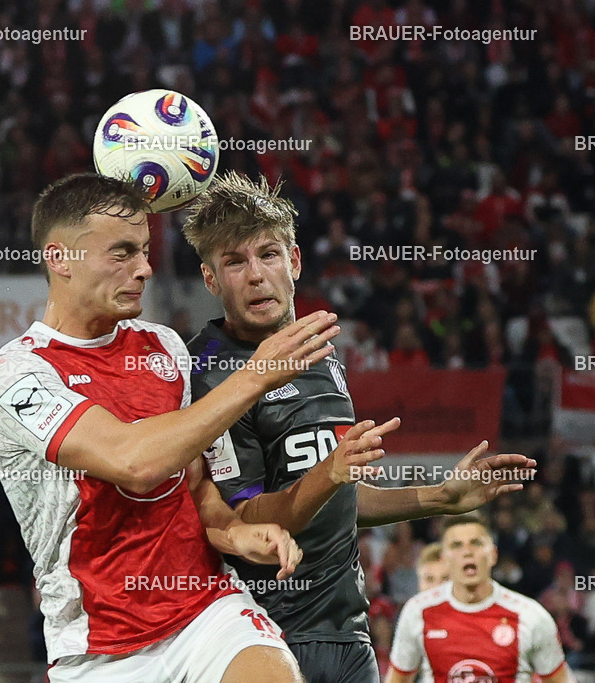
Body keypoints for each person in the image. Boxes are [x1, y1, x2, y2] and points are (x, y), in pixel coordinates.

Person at [0, 173, 341, 682]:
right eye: (122, 253)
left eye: (145, 251)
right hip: (99, 647)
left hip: (206, 611)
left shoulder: (163, 347)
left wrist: (236, 534)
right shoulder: (15, 376)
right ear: (59, 258)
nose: (144, 269)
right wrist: (256, 374)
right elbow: (136, 464)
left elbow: (192, 486)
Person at [183, 171, 534, 683]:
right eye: (234, 262)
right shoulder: (207, 373)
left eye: (268, 254)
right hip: (259, 636)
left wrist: (439, 497)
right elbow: (244, 519)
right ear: (211, 280)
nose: (256, 275)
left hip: (348, 634)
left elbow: (337, 495)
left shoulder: (319, 353)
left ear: (295, 261)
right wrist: (330, 473)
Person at [385, 514, 570, 683]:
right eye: (456, 545)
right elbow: (397, 679)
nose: (467, 552)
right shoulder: (418, 611)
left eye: (476, 543)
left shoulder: (531, 616)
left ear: (493, 555)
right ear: (445, 559)